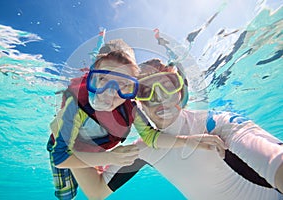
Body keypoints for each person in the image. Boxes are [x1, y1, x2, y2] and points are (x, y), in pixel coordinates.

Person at [46, 40, 227, 200]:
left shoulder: (130, 109)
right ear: (92, 77)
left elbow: (151, 137)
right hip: (67, 148)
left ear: (132, 89)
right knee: (66, 194)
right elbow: (61, 158)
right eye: (103, 79)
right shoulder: (75, 106)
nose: (111, 92)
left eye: (124, 85)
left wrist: (188, 141)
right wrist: (107, 157)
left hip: (96, 149)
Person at [102, 58, 283, 200]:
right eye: (145, 91)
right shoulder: (144, 148)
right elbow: (96, 191)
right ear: (137, 104)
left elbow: (275, 159)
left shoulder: (214, 124)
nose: (159, 98)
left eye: (167, 86)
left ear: (181, 90)